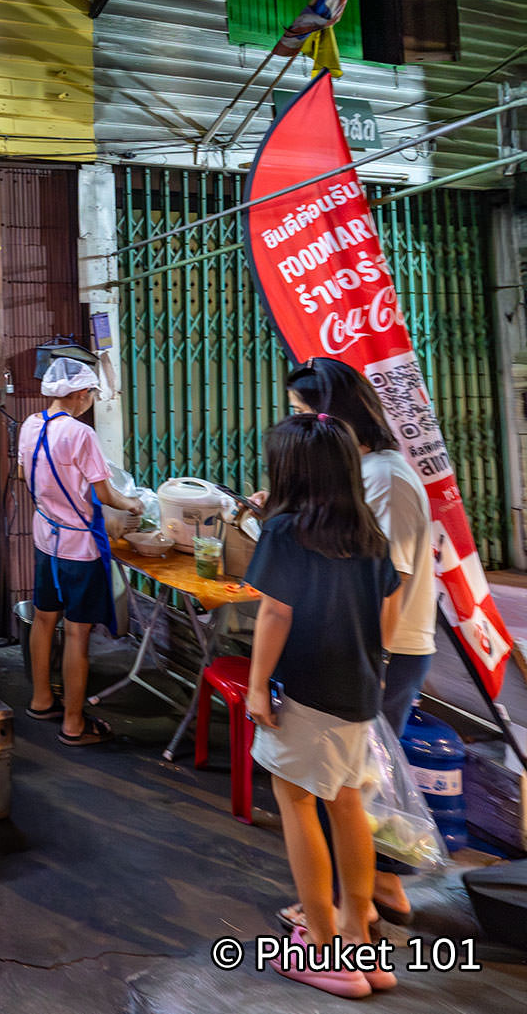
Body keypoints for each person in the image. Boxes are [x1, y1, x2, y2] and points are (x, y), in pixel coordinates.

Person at [244, 413, 401, 998]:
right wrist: (373, 664)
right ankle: (360, 938)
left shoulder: (287, 532)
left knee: (296, 802)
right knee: (347, 804)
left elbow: (275, 613)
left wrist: (258, 686)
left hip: (306, 692)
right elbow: (388, 607)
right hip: (357, 691)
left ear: (292, 470)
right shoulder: (368, 532)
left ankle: (325, 947)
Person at [277, 356, 436, 930]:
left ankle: (351, 911)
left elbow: (382, 587)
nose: (303, 426)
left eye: (305, 413)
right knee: (359, 782)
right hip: (366, 651)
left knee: (345, 788)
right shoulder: (367, 470)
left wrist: (367, 664)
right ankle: (380, 893)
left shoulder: (385, 478)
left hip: (381, 650)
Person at [17, 356, 143, 746]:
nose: (90, 400)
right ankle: (73, 724)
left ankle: (41, 699)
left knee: (43, 620)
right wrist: (134, 505)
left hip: (45, 539)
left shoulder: (31, 425)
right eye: (89, 393)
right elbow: (105, 494)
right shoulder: (80, 434)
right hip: (79, 547)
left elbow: (26, 477)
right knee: (76, 635)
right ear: (78, 394)